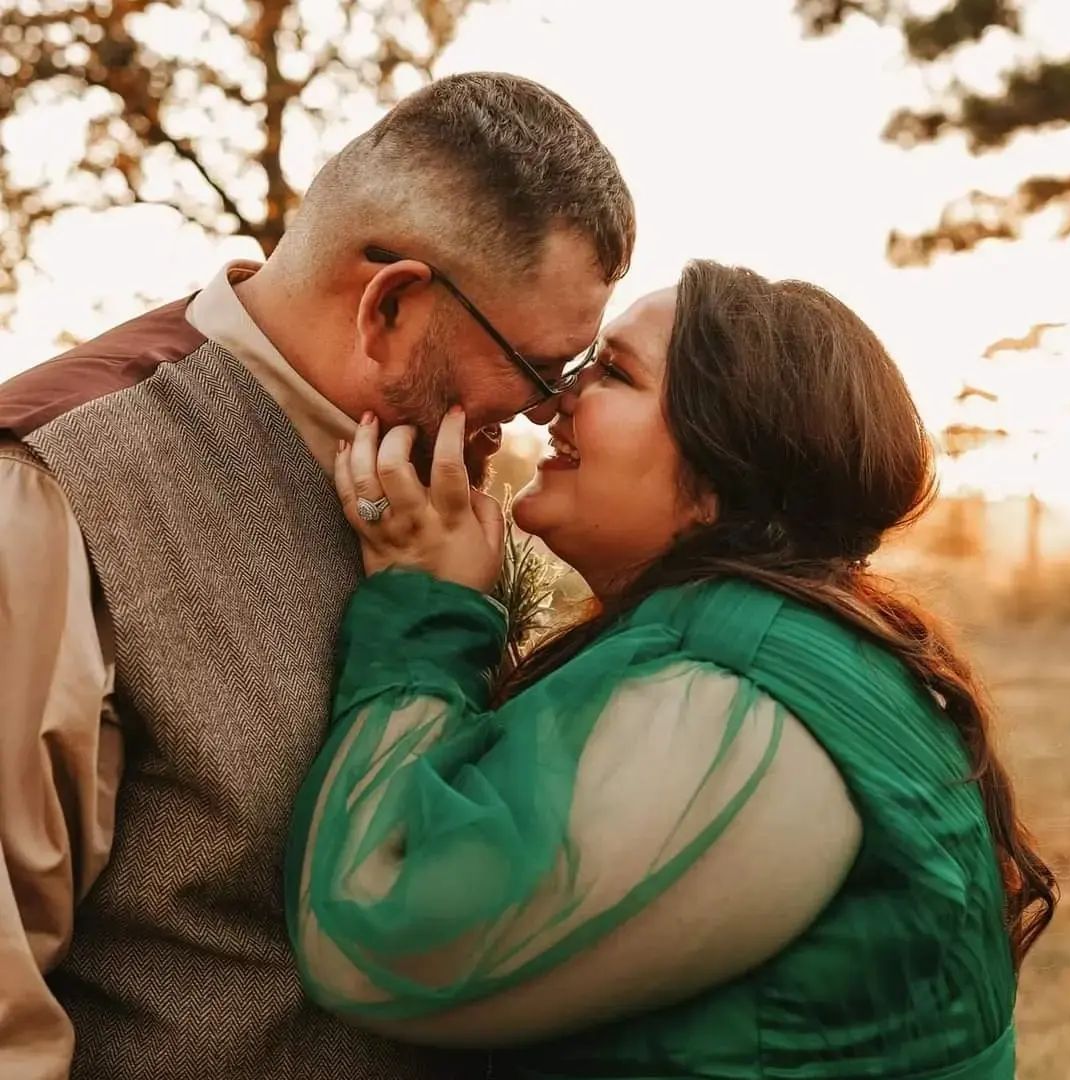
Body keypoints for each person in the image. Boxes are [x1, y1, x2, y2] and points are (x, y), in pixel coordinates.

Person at [0, 72, 634, 1079]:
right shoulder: (52, 484)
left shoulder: (450, 485)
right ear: (389, 306)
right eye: (542, 366)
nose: (552, 409)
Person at [288, 260, 1057, 1079]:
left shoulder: (738, 698)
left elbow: (373, 938)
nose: (553, 403)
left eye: (613, 373)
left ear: (722, 479)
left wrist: (424, 611)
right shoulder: (735, 641)